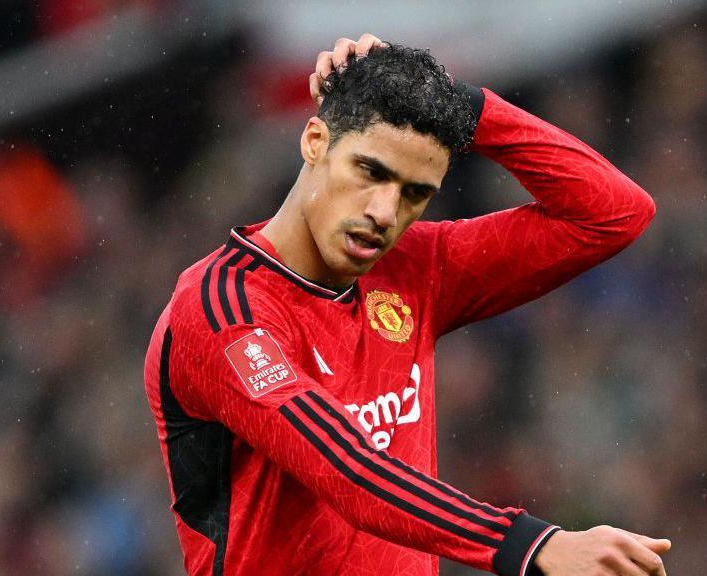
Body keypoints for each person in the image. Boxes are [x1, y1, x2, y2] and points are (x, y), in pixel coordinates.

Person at [143, 33, 668, 576]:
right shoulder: (222, 313)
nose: (384, 211)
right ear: (316, 141)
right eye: (371, 172)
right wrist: (531, 545)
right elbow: (349, 472)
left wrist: (458, 104)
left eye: (415, 192)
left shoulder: (416, 268)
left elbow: (613, 213)